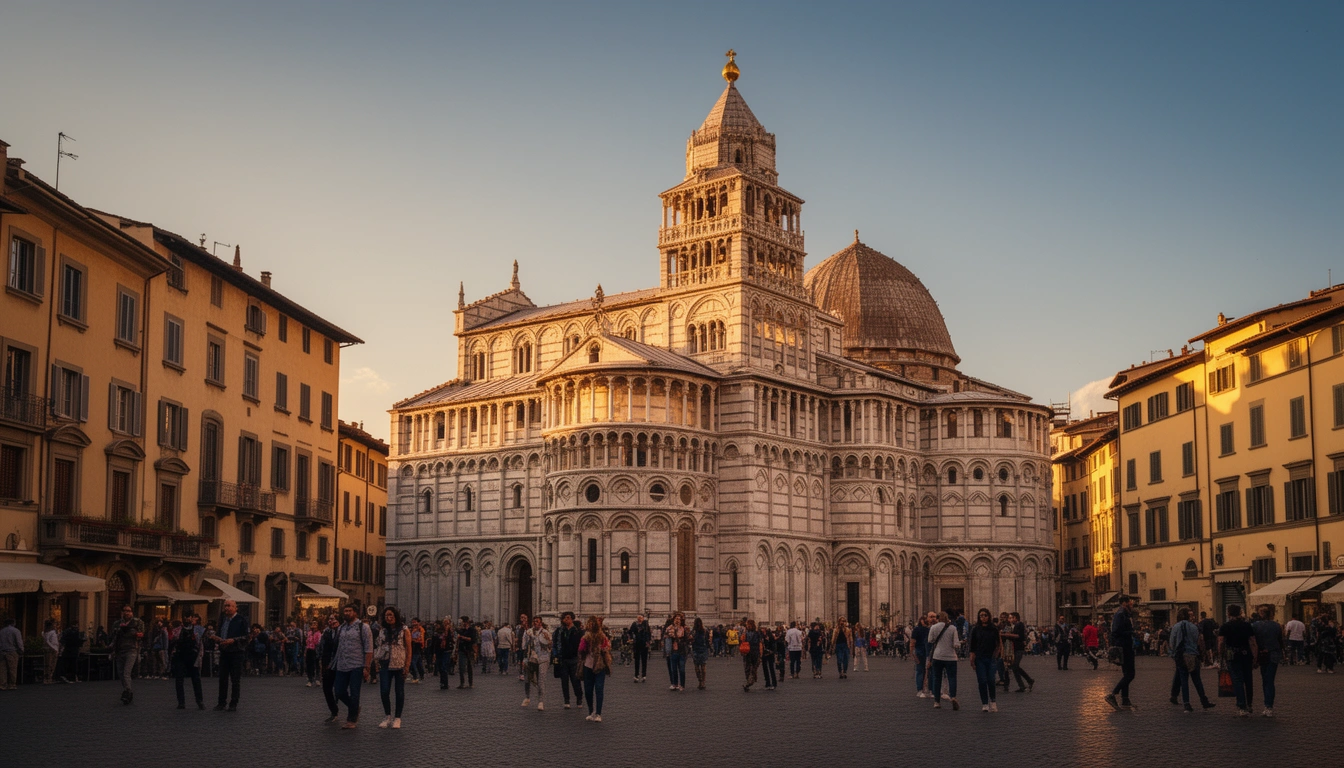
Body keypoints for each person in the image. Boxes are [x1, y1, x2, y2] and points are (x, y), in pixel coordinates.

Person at [333, 604, 374, 729]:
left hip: (357, 664)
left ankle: (351, 719)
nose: (346, 613)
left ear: (355, 613)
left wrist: (367, 667)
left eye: (349, 611)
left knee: (355, 692)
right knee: (339, 691)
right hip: (342, 664)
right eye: (345, 611)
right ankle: (354, 707)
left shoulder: (363, 627)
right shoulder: (341, 628)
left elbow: (369, 648)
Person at [1167, 607, 1214, 713]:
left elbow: (1172, 642)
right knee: (1197, 680)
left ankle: (1186, 704)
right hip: (1193, 655)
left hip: (1181, 656)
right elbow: (1198, 641)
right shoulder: (1194, 627)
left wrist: (1173, 653)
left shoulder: (1176, 626)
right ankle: (1204, 701)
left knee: (1184, 680)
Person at [1217, 604, 1259, 716]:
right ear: (1240, 613)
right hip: (1246, 654)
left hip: (1232, 654)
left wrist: (1220, 655)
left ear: (1229, 613)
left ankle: (1242, 706)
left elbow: (1221, 642)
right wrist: (1255, 656)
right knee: (1248, 680)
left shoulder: (1225, 626)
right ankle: (1249, 704)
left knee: (1237, 680)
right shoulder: (1247, 625)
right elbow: (1252, 642)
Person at [375, 606, 411, 729]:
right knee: (384, 691)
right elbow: (379, 647)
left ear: (396, 616)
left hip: (399, 664)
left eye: (391, 615)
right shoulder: (383, 630)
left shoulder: (404, 630)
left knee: (399, 692)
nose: (388, 618)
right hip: (385, 663)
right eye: (386, 616)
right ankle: (387, 716)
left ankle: (397, 718)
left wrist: (407, 665)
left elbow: (409, 649)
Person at [1104, 595, 1137, 711]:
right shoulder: (1120, 614)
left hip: (1126, 646)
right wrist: (1131, 632)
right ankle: (1113, 694)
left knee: (1127, 674)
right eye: (1130, 602)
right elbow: (1116, 631)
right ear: (1124, 603)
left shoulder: (1125, 614)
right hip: (1124, 647)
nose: (1131, 604)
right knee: (1130, 674)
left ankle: (1125, 699)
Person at [214, 599, 247, 711]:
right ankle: (221, 702)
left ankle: (233, 703)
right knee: (222, 678)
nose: (226, 608)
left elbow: (246, 637)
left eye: (229, 606)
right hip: (224, 652)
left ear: (235, 608)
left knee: (235, 679)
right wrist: (217, 638)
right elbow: (219, 632)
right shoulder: (223, 619)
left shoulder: (241, 620)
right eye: (225, 606)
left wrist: (233, 640)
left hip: (236, 653)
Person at [110, 605, 144, 705]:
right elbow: (113, 636)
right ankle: (128, 691)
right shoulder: (117, 623)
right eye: (124, 611)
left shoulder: (137, 622)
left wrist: (134, 633)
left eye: (128, 611)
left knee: (126, 673)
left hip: (132, 649)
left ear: (132, 612)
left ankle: (127, 692)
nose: (126, 613)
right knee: (121, 674)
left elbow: (142, 634)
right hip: (119, 650)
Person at [579, 615, 611, 721]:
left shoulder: (602, 636)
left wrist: (603, 649)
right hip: (588, 664)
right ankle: (591, 710)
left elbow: (607, 647)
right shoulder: (585, 637)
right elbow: (581, 649)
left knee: (599, 688)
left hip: (599, 664)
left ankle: (598, 713)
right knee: (588, 690)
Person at [967, 608, 1000, 712]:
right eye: (981, 615)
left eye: (985, 615)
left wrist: (996, 655)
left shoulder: (994, 628)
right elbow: (972, 646)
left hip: (991, 658)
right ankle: (985, 703)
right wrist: (972, 660)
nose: (983, 617)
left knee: (991, 680)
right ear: (979, 617)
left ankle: (993, 702)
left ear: (989, 616)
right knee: (982, 681)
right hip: (979, 658)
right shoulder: (975, 629)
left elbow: (998, 643)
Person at [1251, 605, 1281, 717]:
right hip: (1274, 653)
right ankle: (1269, 706)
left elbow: (1253, 641)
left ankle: (1267, 705)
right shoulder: (1277, 626)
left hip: (1262, 655)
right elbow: (1280, 641)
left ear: (1261, 614)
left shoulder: (1255, 626)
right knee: (1270, 680)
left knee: (1265, 679)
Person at [927, 611, 960, 710]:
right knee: (952, 678)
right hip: (951, 657)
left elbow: (930, 640)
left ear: (938, 618)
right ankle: (953, 697)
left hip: (938, 656)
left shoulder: (934, 627)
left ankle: (937, 702)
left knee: (937, 679)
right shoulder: (953, 628)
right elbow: (956, 644)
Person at [171, 611, 204, 709]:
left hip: (192, 657)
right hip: (180, 656)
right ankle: (181, 702)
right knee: (179, 679)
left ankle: (200, 701)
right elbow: (173, 643)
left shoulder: (198, 630)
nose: (187, 619)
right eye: (185, 616)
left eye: (188, 617)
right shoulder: (177, 630)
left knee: (196, 680)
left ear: (192, 617)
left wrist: (200, 657)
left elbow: (200, 645)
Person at [521, 615, 550, 711]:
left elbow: (550, 645)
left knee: (541, 680)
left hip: (543, 659)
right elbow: (524, 646)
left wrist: (548, 640)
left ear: (541, 623)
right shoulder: (528, 632)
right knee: (527, 679)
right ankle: (527, 697)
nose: (535, 623)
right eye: (534, 621)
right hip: (531, 658)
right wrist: (524, 659)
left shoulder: (545, 632)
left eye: (537, 621)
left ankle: (541, 702)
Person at [316, 615, 341, 722]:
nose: (331, 621)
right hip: (327, 664)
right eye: (330, 619)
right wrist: (321, 660)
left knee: (340, 690)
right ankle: (334, 711)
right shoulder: (326, 632)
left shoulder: (342, 632)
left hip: (340, 664)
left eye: (334, 619)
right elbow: (321, 647)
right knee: (326, 688)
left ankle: (352, 708)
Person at [1001, 611, 1034, 692]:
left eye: (1011, 617)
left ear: (1015, 618)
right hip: (1015, 649)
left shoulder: (1019, 625)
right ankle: (1023, 685)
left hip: (1019, 649)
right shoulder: (1015, 626)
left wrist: (1005, 635)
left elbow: (1018, 636)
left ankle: (1028, 681)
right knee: (1014, 667)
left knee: (1015, 666)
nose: (1010, 619)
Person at [663, 612, 687, 691]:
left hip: (682, 651)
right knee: (674, 669)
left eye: (679, 619)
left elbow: (687, 639)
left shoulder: (684, 628)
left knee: (682, 669)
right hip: (673, 651)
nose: (678, 620)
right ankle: (675, 684)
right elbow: (666, 638)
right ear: (673, 619)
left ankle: (682, 685)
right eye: (676, 619)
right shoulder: (669, 628)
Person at [455, 616, 477, 689]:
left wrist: (462, 637)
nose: (460, 624)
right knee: (461, 667)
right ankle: (462, 683)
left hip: (469, 650)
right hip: (462, 650)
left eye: (461, 622)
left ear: (466, 622)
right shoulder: (461, 630)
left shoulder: (472, 630)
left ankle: (470, 683)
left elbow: (472, 639)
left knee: (469, 667)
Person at [0, 617, 23, 690]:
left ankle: (3, 684)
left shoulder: (1, 631)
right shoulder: (16, 631)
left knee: (2, 669)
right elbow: (19, 642)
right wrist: (21, 650)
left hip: (2, 651)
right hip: (12, 651)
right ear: (13, 623)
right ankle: (12, 684)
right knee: (12, 668)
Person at [912, 613, 931, 697]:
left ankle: (925, 689)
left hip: (925, 652)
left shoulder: (929, 629)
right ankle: (921, 689)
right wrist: (912, 653)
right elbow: (912, 642)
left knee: (924, 671)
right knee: (921, 670)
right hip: (921, 651)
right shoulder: (919, 629)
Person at [628, 615, 651, 682]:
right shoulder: (634, 624)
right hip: (637, 643)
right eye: (638, 618)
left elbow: (648, 633)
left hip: (644, 643)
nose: (639, 619)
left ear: (643, 618)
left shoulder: (646, 624)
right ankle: (636, 675)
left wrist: (648, 641)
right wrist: (632, 638)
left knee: (644, 660)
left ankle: (644, 675)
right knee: (637, 660)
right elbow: (630, 632)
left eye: (641, 618)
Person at [690, 616, 710, 690]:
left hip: (700, 649)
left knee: (700, 667)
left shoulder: (701, 631)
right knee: (700, 667)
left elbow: (707, 640)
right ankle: (701, 681)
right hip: (699, 649)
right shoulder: (699, 631)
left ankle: (701, 681)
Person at [760, 625, 778, 690]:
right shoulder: (760, 636)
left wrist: (774, 652)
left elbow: (773, 644)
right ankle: (767, 683)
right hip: (764, 654)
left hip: (770, 653)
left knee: (771, 668)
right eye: (761, 628)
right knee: (765, 669)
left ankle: (774, 683)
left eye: (763, 628)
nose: (762, 629)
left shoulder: (770, 636)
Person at [304, 619, 321, 687]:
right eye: (312, 624)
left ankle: (317, 679)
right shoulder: (309, 633)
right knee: (309, 665)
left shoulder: (318, 633)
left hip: (315, 650)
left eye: (315, 624)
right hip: (309, 649)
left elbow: (317, 642)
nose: (313, 626)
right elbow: (307, 642)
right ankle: (310, 679)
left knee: (316, 665)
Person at [407, 617, 425, 684]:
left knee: (412, 662)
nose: (413, 623)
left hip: (417, 646)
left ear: (418, 622)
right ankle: (421, 674)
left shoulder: (420, 629)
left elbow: (419, 639)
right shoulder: (411, 629)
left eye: (415, 622)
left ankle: (415, 676)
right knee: (418, 662)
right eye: (412, 622)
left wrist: (412, 639)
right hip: (412, 646)